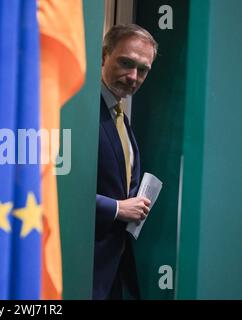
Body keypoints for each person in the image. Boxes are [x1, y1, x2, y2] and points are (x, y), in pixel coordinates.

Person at [94, 24, 158, 300]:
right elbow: (58, 189)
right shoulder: (79, 113)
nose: (133, 76)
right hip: (82, 266)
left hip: (115, 270)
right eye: (126, 63)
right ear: (104, 56)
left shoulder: (119, 114)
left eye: (142, 69)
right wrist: (117, 208)